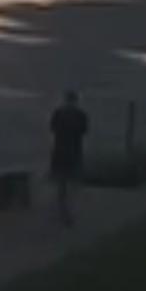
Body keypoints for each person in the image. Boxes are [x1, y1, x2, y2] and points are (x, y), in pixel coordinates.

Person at [49, 91, 89, 226]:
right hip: (74, 152)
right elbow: (84, 131)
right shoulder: (81, 115)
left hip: (60, 152)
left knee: (62, 183)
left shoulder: (58, 113)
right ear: (76, 101)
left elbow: (52, 129)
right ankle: (68, 212)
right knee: (73, 184)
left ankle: (63, 210)